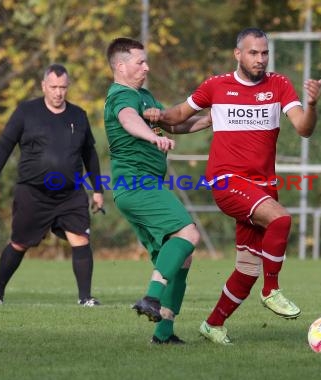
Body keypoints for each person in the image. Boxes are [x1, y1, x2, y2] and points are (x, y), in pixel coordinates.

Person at [144, 27, 321, 345]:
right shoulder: (216, 86)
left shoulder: (279, 84)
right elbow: (179, 115)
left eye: (264, 53)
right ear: (237, 54)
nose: (260, 59)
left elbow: (303, 129)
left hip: (263, 186)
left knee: (247, 267)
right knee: (281, 219)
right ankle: (272, 290)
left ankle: (213, 324)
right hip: (227, 181)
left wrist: (312, 105)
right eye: (253, 53)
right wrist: (158, 115)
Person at [104, 37, 210, 344]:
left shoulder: (144, 95)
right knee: (189, 234)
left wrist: (211, 120)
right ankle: (150, 298)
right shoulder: (120, 96)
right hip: (137, 184)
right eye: (140, 62)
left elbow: (175, 125)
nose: (146, 67)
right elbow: (128, 121)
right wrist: (153, 138)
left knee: (182, 257)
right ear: (121, 66)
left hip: (141, 188)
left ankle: (163, 334)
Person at [0, 63, 104, 307]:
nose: (58, 93)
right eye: (53, 87)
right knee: (19, 243)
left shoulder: (78, 115)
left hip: (70, 194)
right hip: (33, 192)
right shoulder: (26, 112)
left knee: (81, 239)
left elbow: (89, 155)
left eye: (63, 87)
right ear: (43, 86)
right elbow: (5, 145)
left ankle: (85, 298)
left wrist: (98, 189)